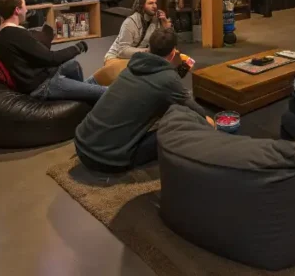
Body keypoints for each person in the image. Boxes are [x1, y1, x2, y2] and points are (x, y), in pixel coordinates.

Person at [75, 28, 213, 173]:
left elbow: (159, 86)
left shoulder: (130, 67)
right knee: (183, 126)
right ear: (173, 52)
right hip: (106, 159)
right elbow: (194, 109)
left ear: (149, 48)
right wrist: (208, 121)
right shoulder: (168, 79)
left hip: (82, 143)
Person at [0, 0, 106, 103]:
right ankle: (87, 93)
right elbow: (51, 58)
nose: (26, 10)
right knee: (105, 92)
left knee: (73, 65)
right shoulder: (16, 34)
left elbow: (33, 53)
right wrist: (78, 47)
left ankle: (82, 98)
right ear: (17, 10)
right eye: (24, 6)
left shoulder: (2, 31)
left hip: (41, 73)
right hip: (41, 86)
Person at [96, 0, 172, 85]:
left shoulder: (156, 21)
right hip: (117, 57)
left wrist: (166, 27)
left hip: (137, 58)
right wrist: (148, 51)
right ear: (142, 6)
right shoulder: (130, 22)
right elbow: (122, 51)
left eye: (155, 3)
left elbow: (165, 44)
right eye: (150, 3)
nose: (155, 6)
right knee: (132, 75)